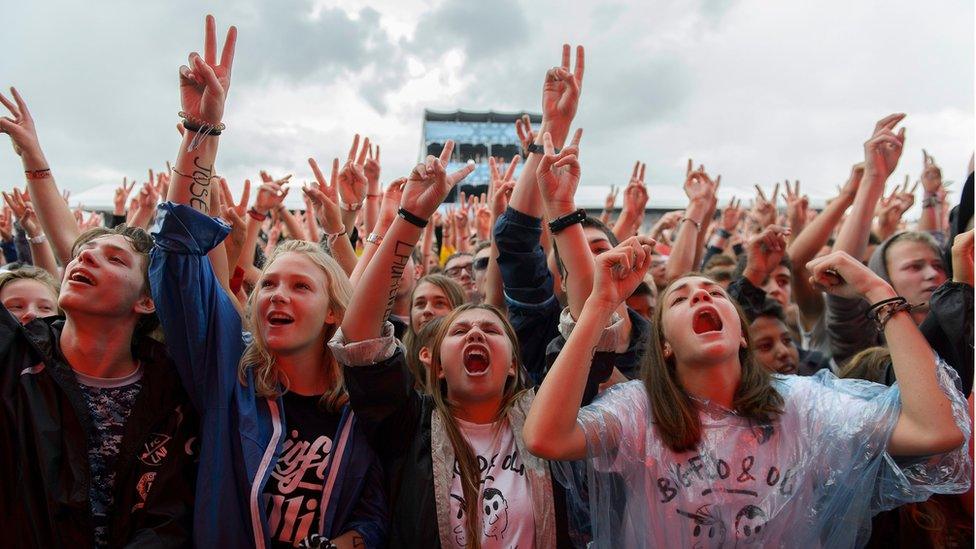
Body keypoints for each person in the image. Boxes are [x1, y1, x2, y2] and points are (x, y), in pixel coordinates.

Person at [524, 236, 970, 547]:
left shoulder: (802, 406)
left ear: (740, 333)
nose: (701, 299)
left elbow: (937, 432)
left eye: (715, 294)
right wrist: (600, 305)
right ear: (664, 344)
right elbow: (546, 437)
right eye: (680, 300)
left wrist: (878, 291)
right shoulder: (637, 410)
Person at [148, 15, 386, 548]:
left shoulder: (363, 402)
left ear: (333, 311)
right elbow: (177, 256)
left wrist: (354, 540)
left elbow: (378, 506)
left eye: (301, 287)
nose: (277, 293)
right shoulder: (228, 371)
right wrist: (200, 132)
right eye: (270, 283)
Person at [0, 80, 198, 546]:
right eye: (82, 255)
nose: (84, 259)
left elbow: (171, 521)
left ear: (145, 302)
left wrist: (199, 135)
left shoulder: (174, 389)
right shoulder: (16, 357)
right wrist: (34, 159)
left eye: (114, 260)